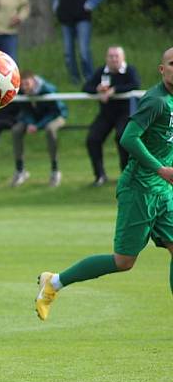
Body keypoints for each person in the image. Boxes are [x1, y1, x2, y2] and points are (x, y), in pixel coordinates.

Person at [36, 47, 173, 320]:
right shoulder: (156, 101)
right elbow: (128, 138)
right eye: (172, 63)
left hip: (163, 190)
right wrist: (159, 168)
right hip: (140, 190)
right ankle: (54, 282)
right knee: (124, 262)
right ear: (162, 69)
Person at [83, 46, 141, 186]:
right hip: (106, 114)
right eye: (111, 56)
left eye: (117, 56)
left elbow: (135, 85)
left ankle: (126, 175)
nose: (114, 59)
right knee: (92, 139)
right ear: (106, 58)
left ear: (123, 58)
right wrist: (97, 89)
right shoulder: (101, 71)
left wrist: (114, 90)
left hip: (126, 113)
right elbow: (86, 87)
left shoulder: (129, 70)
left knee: (122, 138)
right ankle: (100, 176)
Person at [11, 71, 68, 187]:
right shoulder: (21, 91)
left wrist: (38, 125)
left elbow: (54, 112)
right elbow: (25, 110)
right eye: (22, 85)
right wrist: (31, 123)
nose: (24, 87)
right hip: (35, 118)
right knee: (16, 130)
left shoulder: (47, 90)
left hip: (56, 116)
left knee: (50, 130)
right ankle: (20, 170)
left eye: (27, 84)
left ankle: (55, 170)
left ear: (34, 82)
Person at [52, 0, 105, 84]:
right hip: (65, 20)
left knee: (83, 51)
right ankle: (74, 80)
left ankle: (90, 80)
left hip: (82, 19)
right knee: (68, 53)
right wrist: (56, 8)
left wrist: (88, 6)